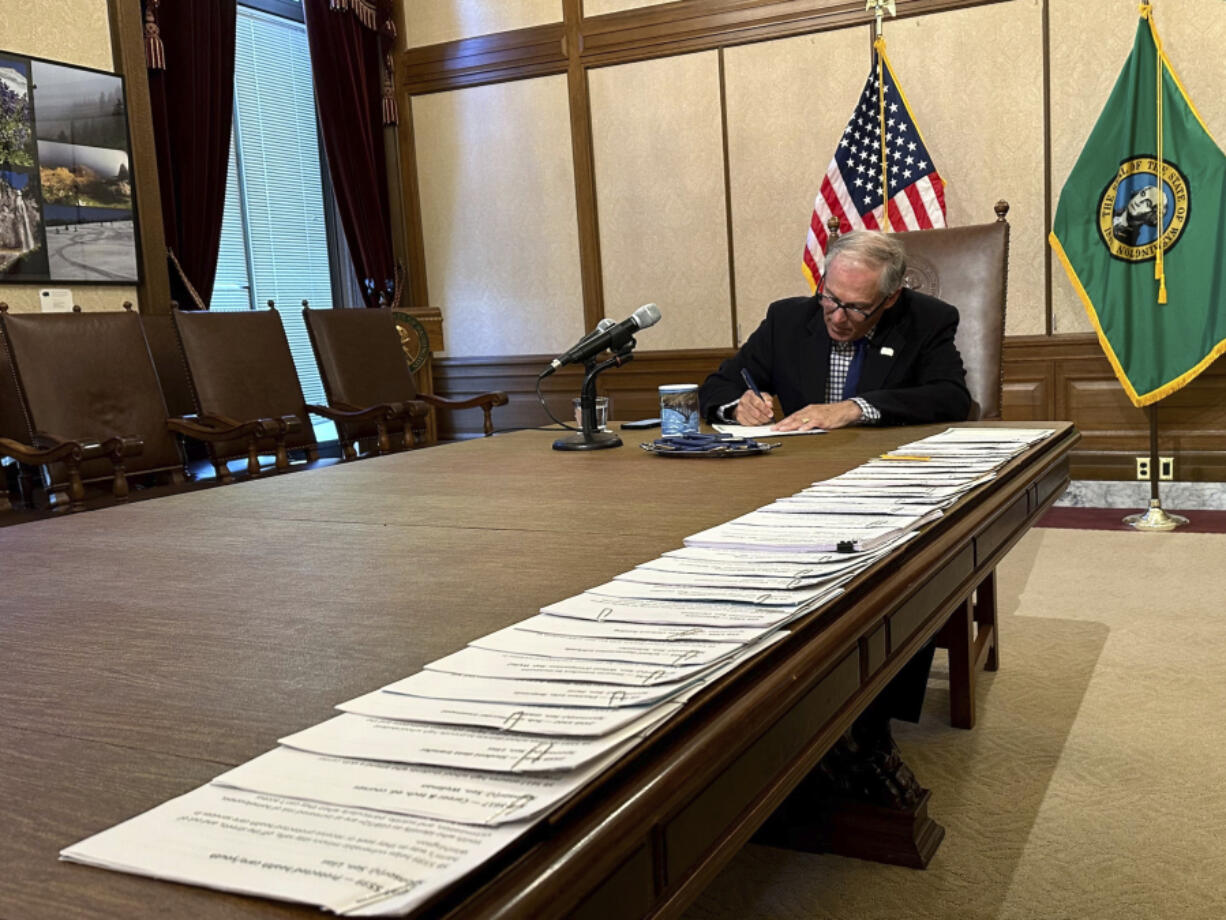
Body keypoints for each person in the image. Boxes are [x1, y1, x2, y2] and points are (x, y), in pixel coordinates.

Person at [699, 229, 971, 431]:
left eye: (856, 307)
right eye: (830, 298)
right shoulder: (787, 320)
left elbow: (951, 397)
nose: (838, 317)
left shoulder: (925, 320)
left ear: (890, 298)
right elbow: (718, 386)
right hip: (805, 466)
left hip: (888, 466)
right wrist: (738, 407)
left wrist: (854, 409)